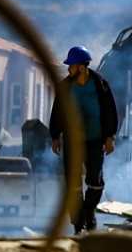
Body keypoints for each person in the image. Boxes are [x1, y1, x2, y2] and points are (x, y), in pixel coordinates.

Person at [48, 46, 119, 234]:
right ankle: (78, 225)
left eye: (71, 65)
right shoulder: (65, 86)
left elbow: (110, 111)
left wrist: (110, 136)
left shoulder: (100, 84)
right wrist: (55, 136)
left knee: (96, 182)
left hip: (95, 140)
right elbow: (58, 112)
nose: (68, 69)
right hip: (72, 142)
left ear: (81, 67)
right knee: (73, 185)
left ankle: (89, 212)